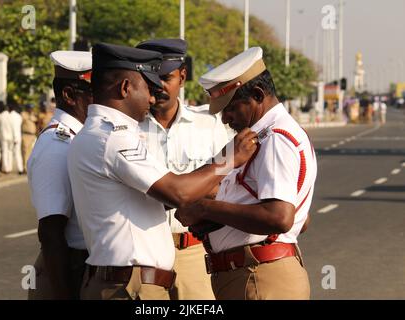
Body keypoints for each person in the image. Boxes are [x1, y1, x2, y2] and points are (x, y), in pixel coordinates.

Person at [67, 43, 257, 300]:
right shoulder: (114, 137)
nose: (153, 98)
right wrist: (229, 159)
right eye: (148, 88)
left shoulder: (99, 133)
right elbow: (177, 192)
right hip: (131, 286)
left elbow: (163, 194)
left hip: (132, 280)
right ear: (125, 88)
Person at [175, 47, 317, 300]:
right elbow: (298, 219)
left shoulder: (275, 140)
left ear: (257, 94)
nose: (225, 119)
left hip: (260, 276)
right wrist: (216, 221)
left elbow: (280, 217)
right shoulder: (261, 137)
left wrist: (206, 209)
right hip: (253, 273)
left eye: (230, 108)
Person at [136, 38, 228, 300]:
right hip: (145, 255)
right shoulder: (127, 128)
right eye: (151, 79)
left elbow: (225, 185)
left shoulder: (208, 124)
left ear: (183, 76)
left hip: (193, 253)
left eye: (166, 77)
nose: (159, 87)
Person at [27, 51, 93, 300]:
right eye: (94, 93)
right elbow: (51, 232)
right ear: (69, 95)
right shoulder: (59, 145)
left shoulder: (78, 138)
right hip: (68, 271)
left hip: (81, 266)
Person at [0, 102, 14, 173]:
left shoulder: (0, 116)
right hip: (11, 136)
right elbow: (13, 127)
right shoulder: (10, 116)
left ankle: (5, 168)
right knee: (10, 152)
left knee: (4, 152)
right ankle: (9, 167)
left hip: (3, 137)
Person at [21, 104, 38, 173]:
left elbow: (36, 121)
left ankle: (31, 167)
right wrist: (30, 117)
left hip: (33, 135)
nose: (31, 109)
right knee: (25, 152)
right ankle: (25, 168)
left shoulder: (33, 115)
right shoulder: (24, 114)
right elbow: (24, 119)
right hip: (26, 135)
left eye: (32, 108)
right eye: (30, 108)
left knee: (32, 152)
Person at [10, 103, 24, 174]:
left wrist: (14, 138)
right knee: (18, 153)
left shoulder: (10, 116)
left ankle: (9, 169)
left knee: (11, 153)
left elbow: (13, 128)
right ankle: (20, 168)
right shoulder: (19, 116)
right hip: (18, 136)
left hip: (13, 137)